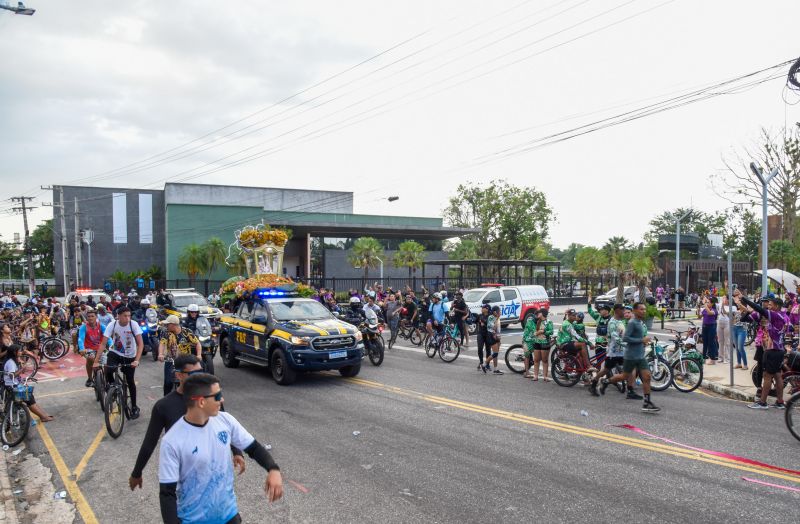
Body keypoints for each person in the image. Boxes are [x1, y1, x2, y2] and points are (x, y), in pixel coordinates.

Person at [158, 374, 283, 524]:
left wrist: (273, 469)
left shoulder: (226, 420)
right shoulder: (172, 441)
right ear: (202, 402)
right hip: (193, 520)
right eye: (217, 396)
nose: (222, 399)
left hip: (229, 515)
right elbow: (167, 493)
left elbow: (254, 448)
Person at [129, 355, 245, 492]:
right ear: (179, 375)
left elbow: (225, 425)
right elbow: (150, 442)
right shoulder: (163, 407)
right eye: (194, 374)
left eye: (202, 372)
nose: (200, 377)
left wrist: (237, 451)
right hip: (184, 477)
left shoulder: (211, 397)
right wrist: (137, 472)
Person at [600, 302, 661, 412]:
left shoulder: (640, 322)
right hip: (631, 356)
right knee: (624, 376)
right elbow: (626, 338)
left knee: (647, 377)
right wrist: (641, 340)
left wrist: (644, 341)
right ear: (635, 311)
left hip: (640, 356)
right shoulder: (632, 323)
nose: (644, 311)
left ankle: (647, 402)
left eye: (645, 309)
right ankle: (606, 381)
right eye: (641, 309)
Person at [93, 307, 144, 419]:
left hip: (130, 356)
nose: (128, 318)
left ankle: (134, 407)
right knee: (108, 369)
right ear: (118, 316)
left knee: (130, 381)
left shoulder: (133, 324)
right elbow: (103, 344)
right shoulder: (113, 325)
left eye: (129, 315)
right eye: (125, 316)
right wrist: (96, 361)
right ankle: (112, 387)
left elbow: (140, 344)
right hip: (115, 352)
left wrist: (136, 360)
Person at [740, 295, 788, 409]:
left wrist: (745, 299)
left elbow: (760, 309)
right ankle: (780, 402)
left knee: (767, 376)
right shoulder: (783, 316)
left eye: (770, 305)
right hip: (778, 349)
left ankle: (762, 402)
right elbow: (754, 315)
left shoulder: (775, 315)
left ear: (777, 306)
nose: (768, 307)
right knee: (777, 376)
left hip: (772, 350)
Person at [3, 344, 53, 422]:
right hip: (12, 385)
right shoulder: (10, 363)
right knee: (29, 399)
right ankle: (43, 417)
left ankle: (43, 414)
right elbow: (11, 376)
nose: (21, 352)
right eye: (19, 351)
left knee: (30, 396)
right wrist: (22, 369)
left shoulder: (15, 360)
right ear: (14, 352)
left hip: (16, 383)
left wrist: (21, 363)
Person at [158, 315, 202, 396]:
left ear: (173, 325)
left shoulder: (187, 332)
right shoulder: (166, 332)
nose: (166, 326)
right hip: (171, 360)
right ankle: (166, 401)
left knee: (189, 382)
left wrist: (199, 355)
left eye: (168, 324)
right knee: (168, 382)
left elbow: (197, 343)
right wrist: (160, 354)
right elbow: (162, 343)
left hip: (185, 361)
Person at [590, 304, 626, 396]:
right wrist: (627, 344)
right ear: (617, 311)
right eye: (623, 310)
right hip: (613, 352)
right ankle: (595, 383)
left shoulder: (620, 321)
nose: (624, 312)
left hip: (621, 351)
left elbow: (623, 334)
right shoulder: (612, 322)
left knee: (625, 371)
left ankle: (606, 381)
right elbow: (615, 337)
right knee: (605, 370)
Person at [555, 309, 594, 373]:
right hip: (564, 343)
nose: (575, 317)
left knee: (580, 356)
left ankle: (581, 374)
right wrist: (589, 343)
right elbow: (576, 336)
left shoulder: (571, 322)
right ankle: (589, 365)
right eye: (573, 315)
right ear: (569, 316)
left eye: (575, 315)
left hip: (569, 342)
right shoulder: (567, 324)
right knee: (582, 344)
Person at [77, 309, 105, 388]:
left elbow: (108, 338)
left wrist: (111, 345)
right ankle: (90, 378)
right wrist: (82, 348)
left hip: (101, 348)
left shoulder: (102, 326)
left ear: (96, 317)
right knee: (90, 358)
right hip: (88, 349)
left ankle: (108, 380)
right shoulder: (83, 327)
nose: (90, 318)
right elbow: (80, 339)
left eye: (92, 316)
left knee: (107, 364)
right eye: (88, 316)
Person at [529, 309, 553, 381]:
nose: (537, 314)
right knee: (536, 360)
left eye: (538, 313)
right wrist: (535, 333)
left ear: (542, 313)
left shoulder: (548, 322)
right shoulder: (537, 321)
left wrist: (543, 331)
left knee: (544, 360)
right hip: (537, 342)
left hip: (545, 343)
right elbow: (533, 331)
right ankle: (535, 376)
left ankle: (545, 376)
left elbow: (551, 332)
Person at [481, 306, 503, 374]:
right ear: (494, 312)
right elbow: (493, 327)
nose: (500, 312)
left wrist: (499, 338)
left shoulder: (497, 318)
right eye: (499, 311)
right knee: (495, 353)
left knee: (496, 354)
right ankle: (484, 365)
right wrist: (497, 318)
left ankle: (495, 369)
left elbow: (498, 329)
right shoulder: (491, 317)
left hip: (497, 337)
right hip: (492, 336)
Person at [699, 296, 719, 364]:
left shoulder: (714, 310)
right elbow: (699, 316)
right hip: (705, 326)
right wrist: (698, 309)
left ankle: (712, 359)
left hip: (712, 327)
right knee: (705, 343)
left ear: (712, 303)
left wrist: (704, 304)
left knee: (711, 343)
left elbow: (710, 313)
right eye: (707, 302)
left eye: (708, 302)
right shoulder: (705, 309)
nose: (707, 303)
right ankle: (703, 358)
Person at [475, 303, 491, 371]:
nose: (481, 309)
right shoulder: (479, 315)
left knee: (488, 350)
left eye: (483, 308)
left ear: (487, 309)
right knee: (480, 348)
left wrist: (484, 322)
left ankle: (487, 364)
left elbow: (491, 324)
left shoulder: (491, 316)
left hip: (488, 334)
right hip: (480, 334)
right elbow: (474, 321)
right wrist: (470, 319)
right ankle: (481, 362)